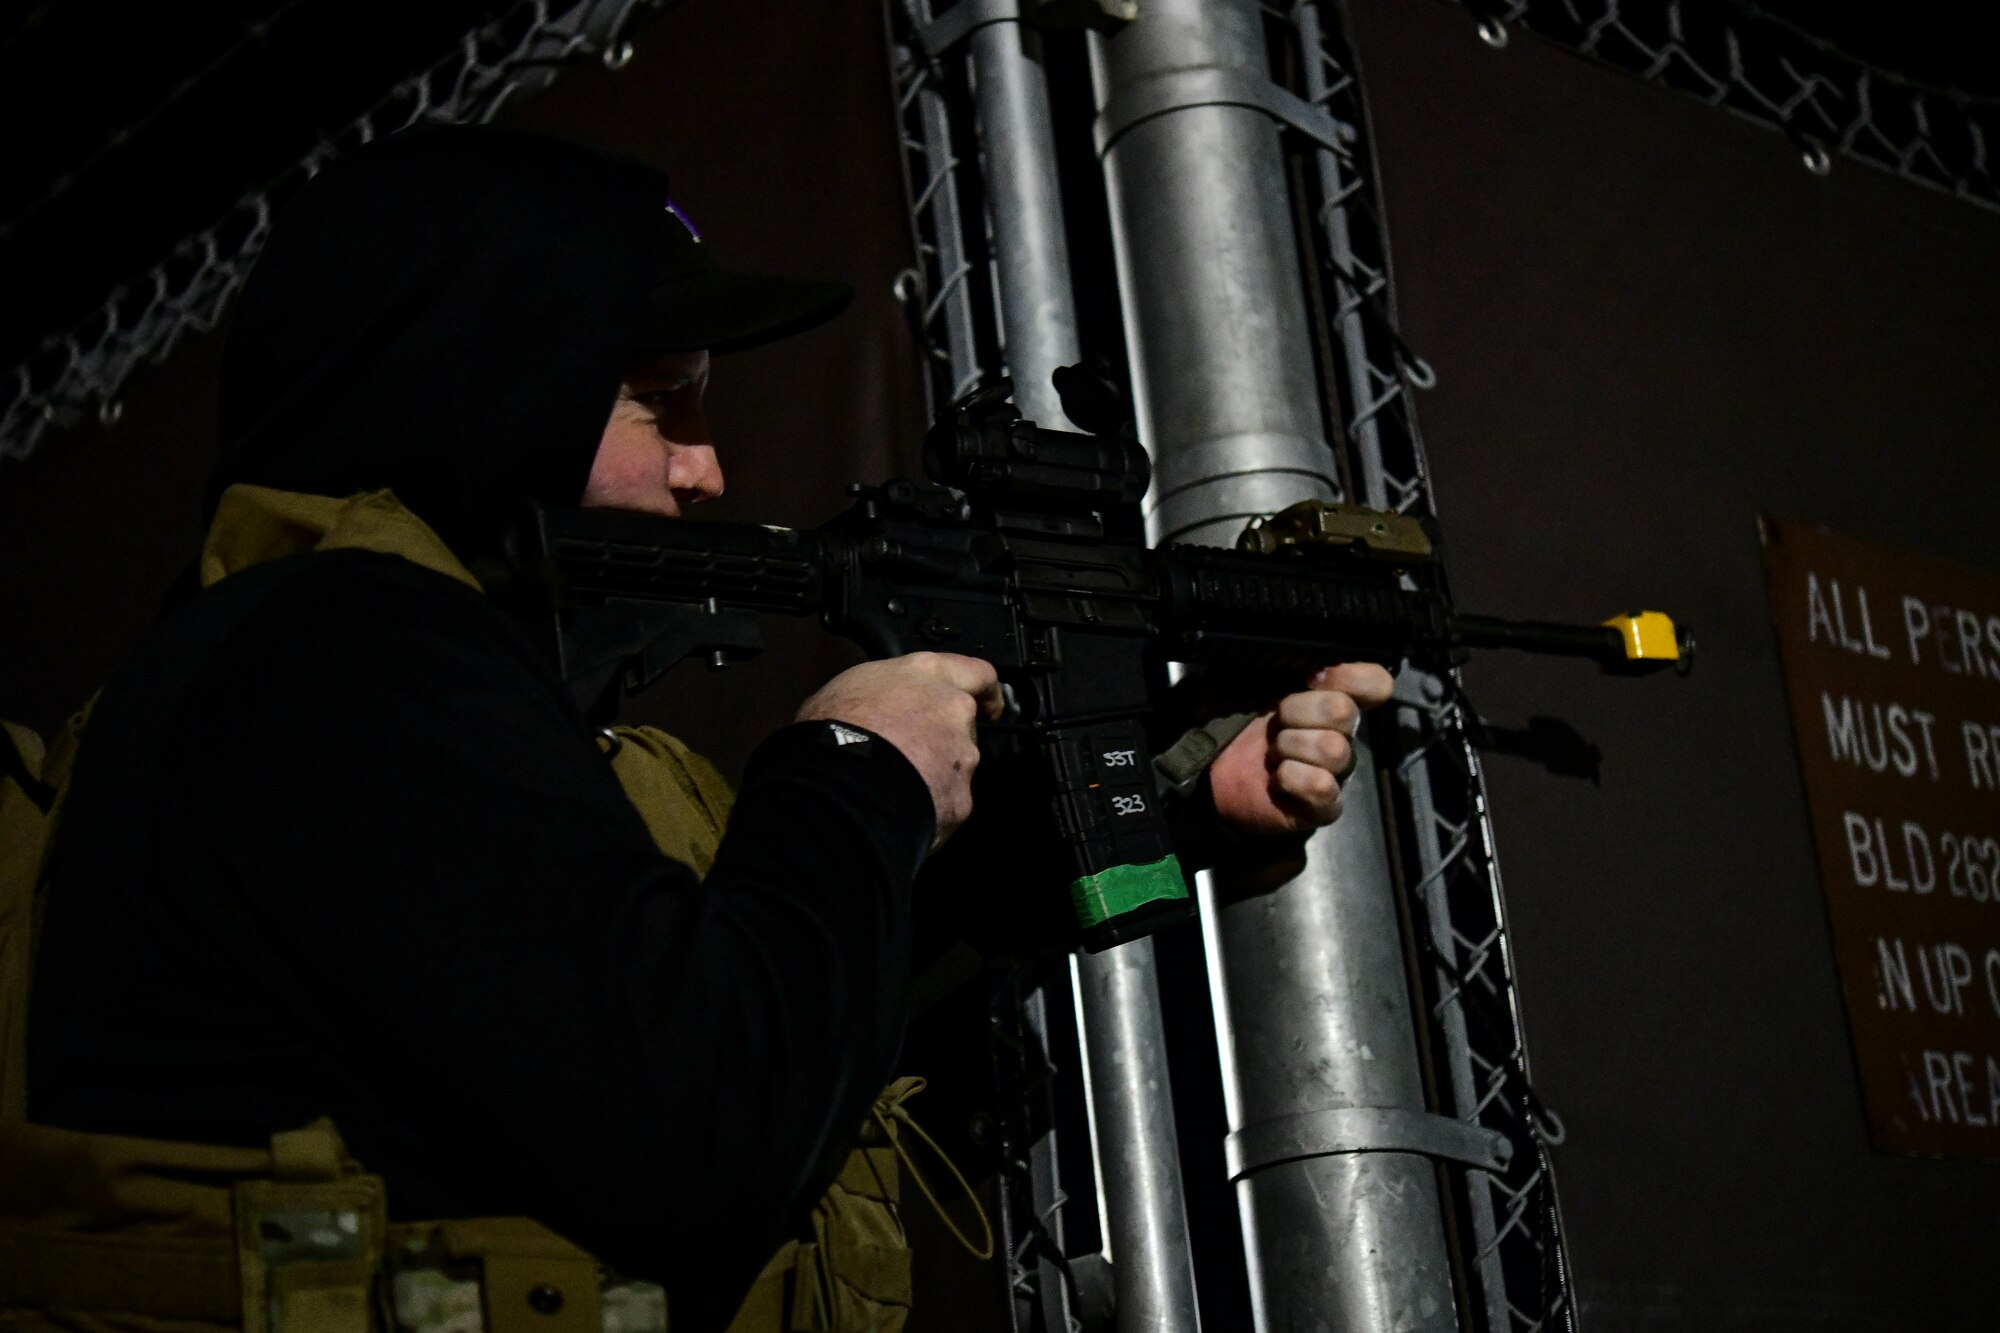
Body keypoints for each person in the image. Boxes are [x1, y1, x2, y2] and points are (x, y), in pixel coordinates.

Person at [0, 127, 1391, 1332]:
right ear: (483, 385)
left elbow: (778, 988)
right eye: (657, 397)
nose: (709, 464)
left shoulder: (355, 678)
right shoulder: (335, 659)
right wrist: (855, 769)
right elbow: (704, 1121)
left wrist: (1180, 810)